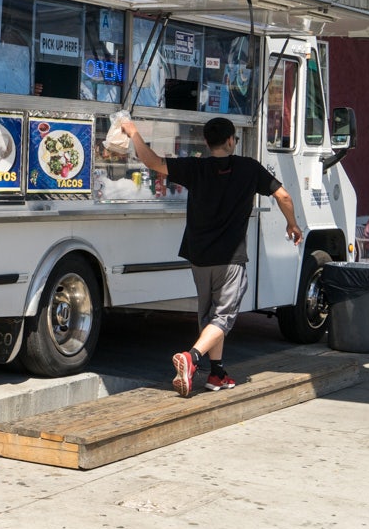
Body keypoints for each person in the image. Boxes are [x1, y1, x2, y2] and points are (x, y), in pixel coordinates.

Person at [120, 116, 302, 397]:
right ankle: (191, 358)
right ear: (231, 140)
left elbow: (153, 162)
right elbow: (284, 196)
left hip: (199, 256)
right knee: (224, 317)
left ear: (206, 141)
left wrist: (133, 133)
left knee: (210, 316)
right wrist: (292, 223)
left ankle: (217, 372)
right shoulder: (248, 168)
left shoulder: (196, 167)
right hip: (230, 258)